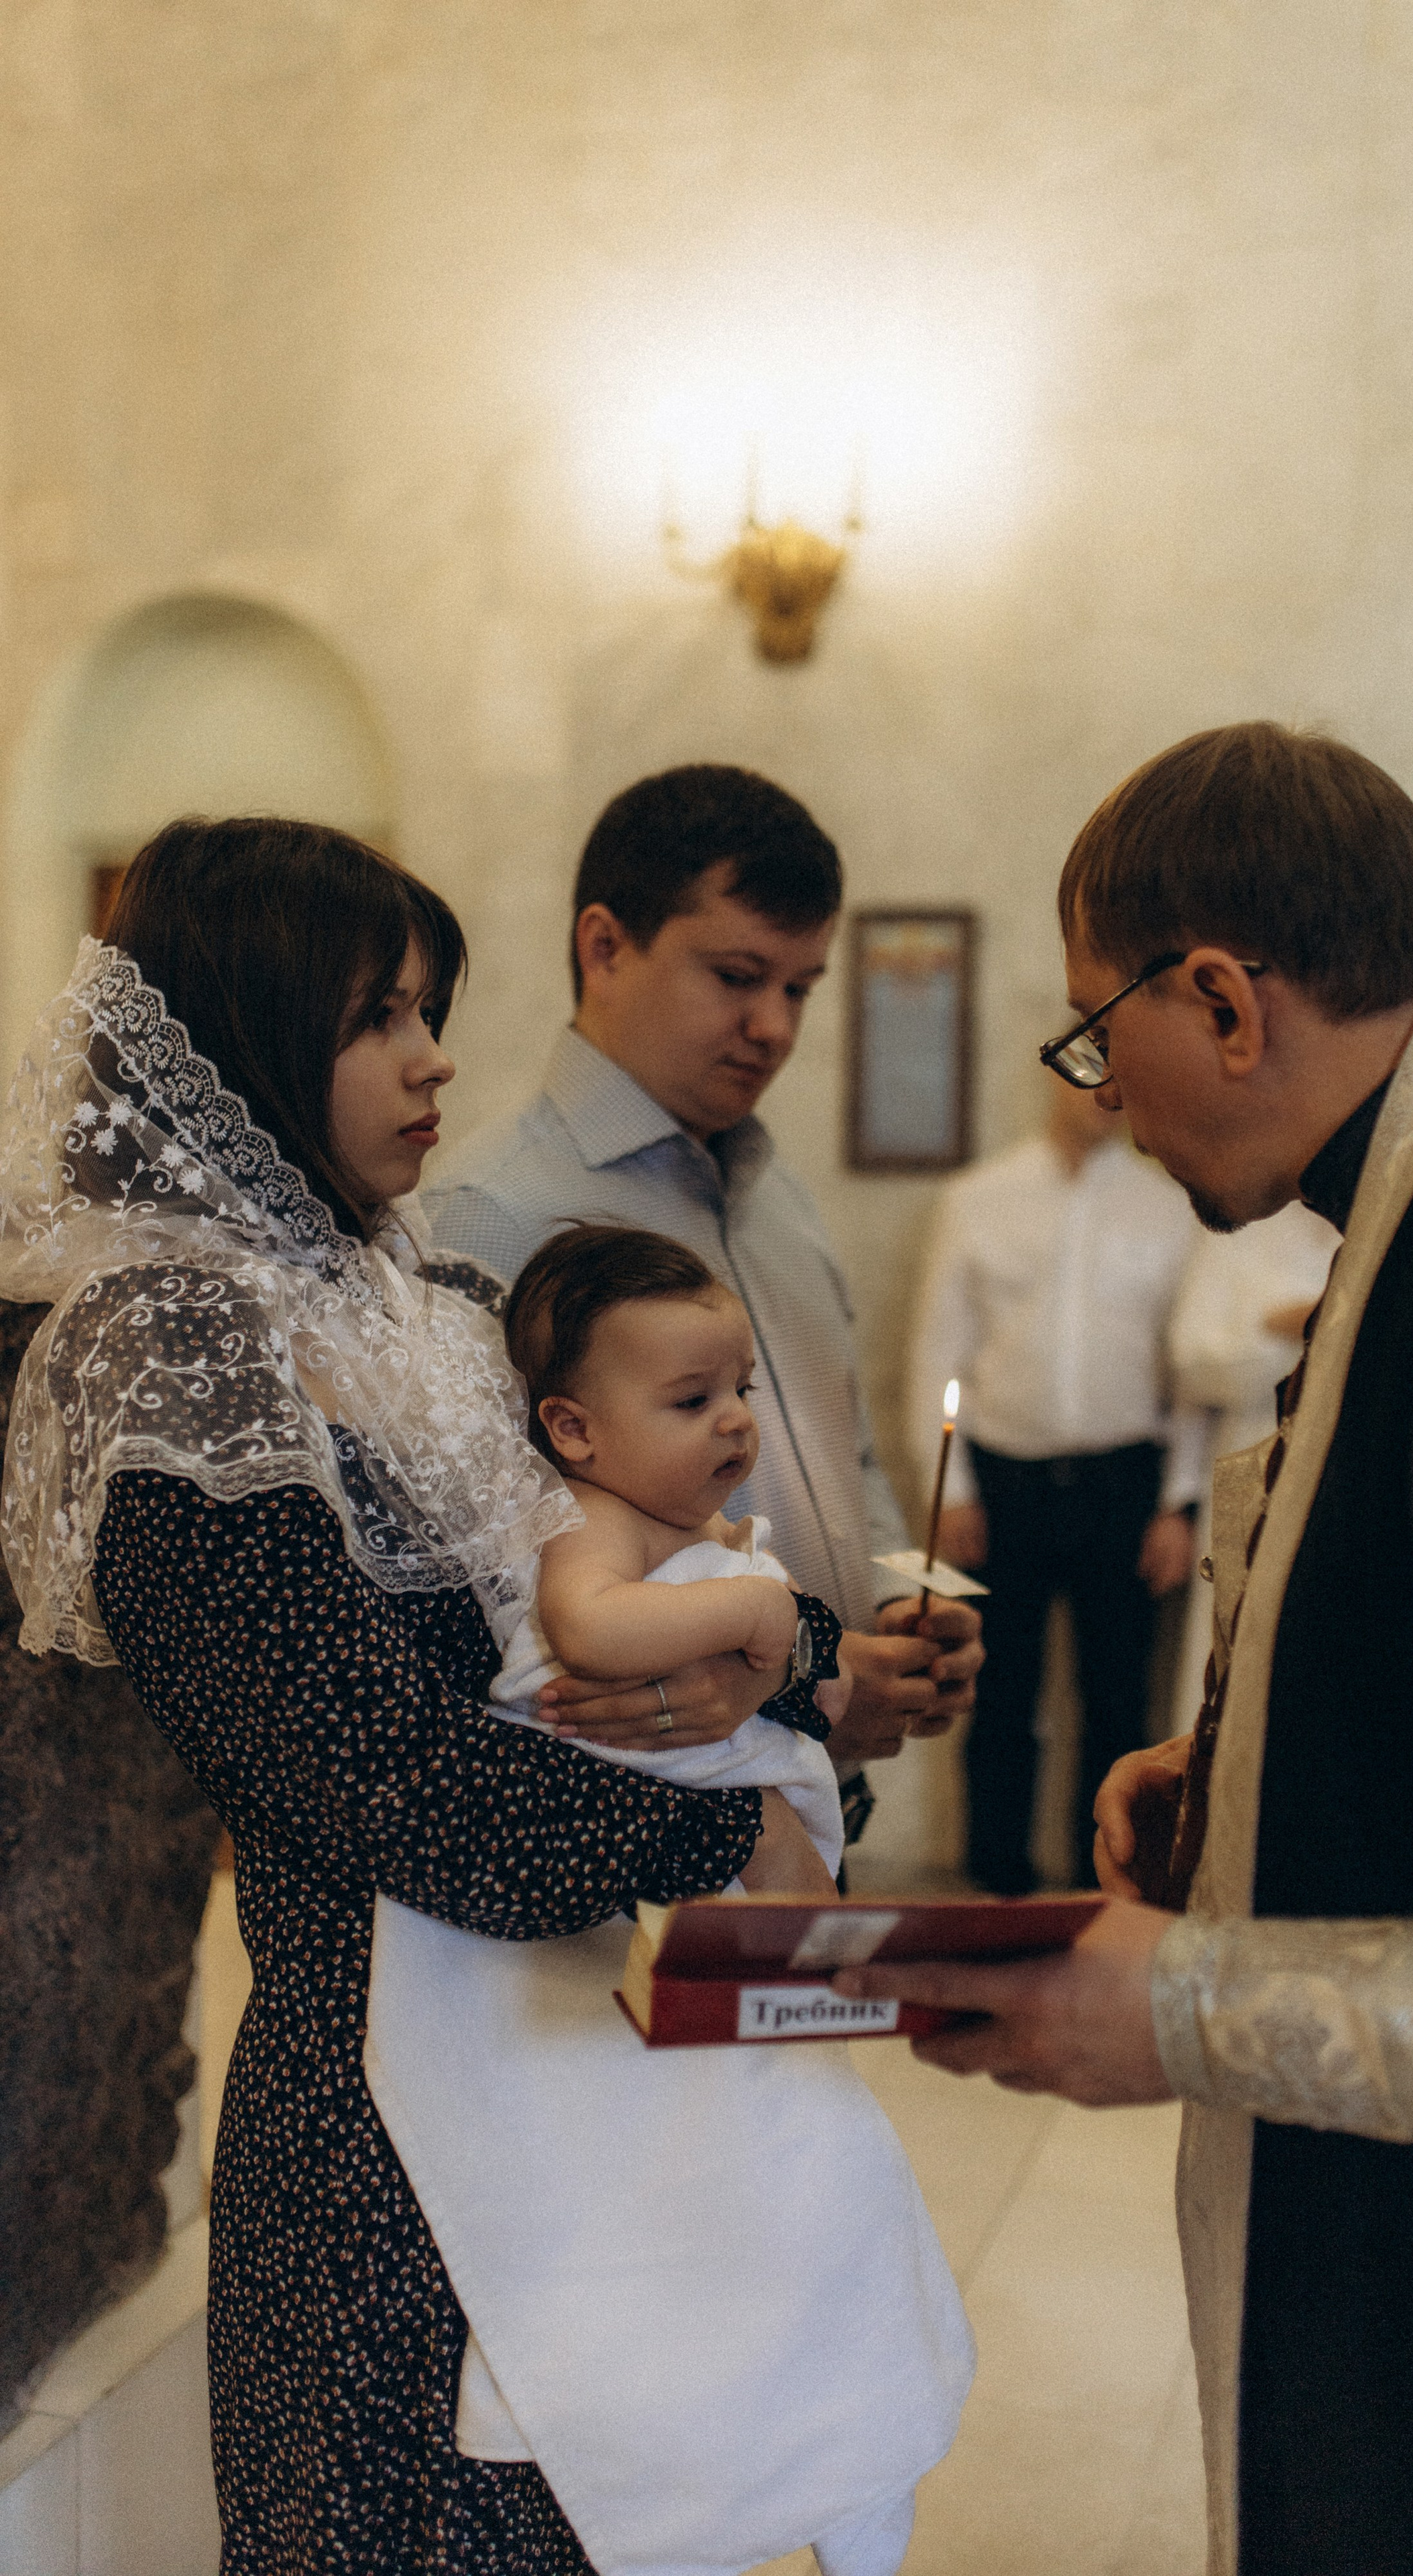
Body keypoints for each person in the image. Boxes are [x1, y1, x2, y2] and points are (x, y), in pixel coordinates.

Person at [834, 722, 1413, 2576]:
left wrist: (1176, 2003)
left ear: (1225, 1002)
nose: (1105, 1093)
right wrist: (1259, 1783)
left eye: (1100, 1032)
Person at [0, 816, 848, 2572]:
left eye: (429, 1006)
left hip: (561, 2054)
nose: (432, 1053)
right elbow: (378, 1778)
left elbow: (651, 1569)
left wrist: (788, 1648)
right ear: (244, 1032)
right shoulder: (171, 1351)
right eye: (378, 1013)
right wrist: (720, 1818)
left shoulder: (440, 1306)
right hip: (373, 2134)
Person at [374, 1220, 972, 2576]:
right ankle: (788, 2471)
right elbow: (586, 1634)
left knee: (822, 2173)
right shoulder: (585, 1529)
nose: (735, 1424)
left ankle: (844, 2452)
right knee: (760, 2190)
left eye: (741, 1389)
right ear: (574, 1431)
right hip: (630, 1871)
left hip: (734, 1846)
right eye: (692, 1400)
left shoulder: (664, 1520)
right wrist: (754, 1621)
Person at [422, 763, 982, 1840]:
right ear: (604, 945)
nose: (773, 1025)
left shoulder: (784, 1203)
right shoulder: (487, 1217)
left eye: (801, 988)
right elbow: (473, 1595)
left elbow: (847, 1455)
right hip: (639, 1828)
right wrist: (800, 1675)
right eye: (737, 975)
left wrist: (899, 1611)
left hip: (817, 1795)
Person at [908, 1071, 1204, 1889]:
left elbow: (1184, 1373)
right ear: (1051, 1075)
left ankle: (1101, 1884)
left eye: (1123, 1077)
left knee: (1117, 1701)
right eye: (1090, 1075)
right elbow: (939, 1351)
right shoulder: (977, 1197)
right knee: (999, 1692)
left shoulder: (1170, 1206)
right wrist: (953, 1488)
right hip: (1004, 1482)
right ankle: (994, 1881)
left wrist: (1180, 1505)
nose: (1107, 1093)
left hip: (1126, 1483)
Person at [1164, 1200, 1337, 1736]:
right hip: (1249, 1470)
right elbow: (1192, 1364)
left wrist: (1290, 1327)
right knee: (1231, 1654)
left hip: (1343, 1475)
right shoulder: (1241, 1218)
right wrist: (1313, 1330)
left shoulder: (1392, 1219)